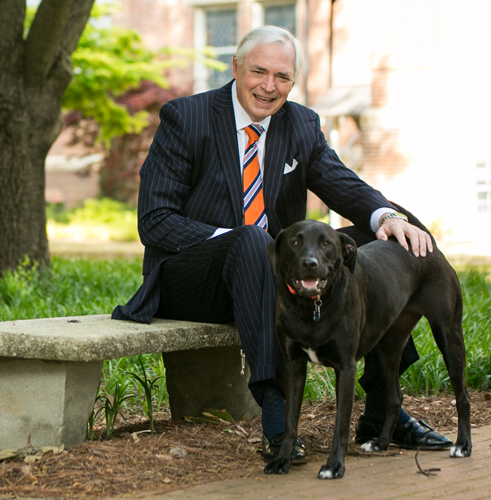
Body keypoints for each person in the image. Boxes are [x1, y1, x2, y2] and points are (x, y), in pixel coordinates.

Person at [112, 25, 452, 462]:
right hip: (193, 279)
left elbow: (340, 182)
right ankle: (276, 408)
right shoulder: (186, 118)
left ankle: (384, 405)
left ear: (293, 81)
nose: (269, 86)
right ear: (236, 68)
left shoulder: (301, 124)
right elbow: (155, 222)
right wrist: (246, 242)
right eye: (259, 71)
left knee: (389, 233)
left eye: (283, 77)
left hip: (278, 271)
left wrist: (387, 216)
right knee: (254, 242)